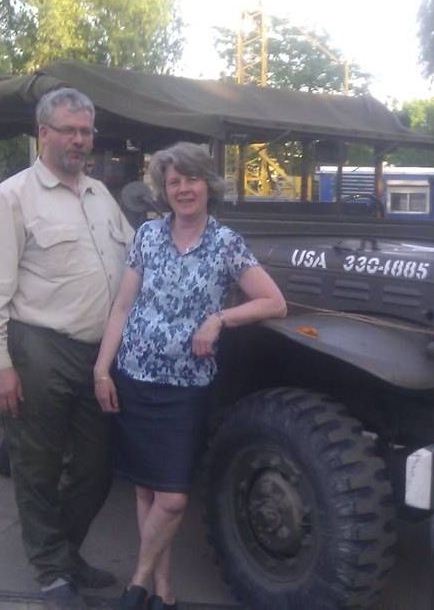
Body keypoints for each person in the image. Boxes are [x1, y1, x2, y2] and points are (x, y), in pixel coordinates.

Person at [92, 142, 287, 610]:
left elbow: (274, 302)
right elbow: (122, 307)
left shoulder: (226, 243)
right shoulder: (147, 236)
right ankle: (163, 592)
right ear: (164, 189)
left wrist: (220, 319)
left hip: (187, 387)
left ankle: (137, 582)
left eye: (191, 180)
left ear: (207, 185)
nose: (183, 189)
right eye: (174, 182)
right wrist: (102, 369)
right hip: (135, 376)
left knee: (174, 497)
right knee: (145, 488)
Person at [0, 87, 135, 609]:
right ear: (44, 133)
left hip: (98, 354)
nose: (80, 140)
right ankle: (53, 573)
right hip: (39, 347)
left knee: (96, 467)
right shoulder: (12, 198)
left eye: (86, 131)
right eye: (69, 130)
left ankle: (63, 552)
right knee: (36, 466)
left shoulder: (100, 195)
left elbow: (134, 262)